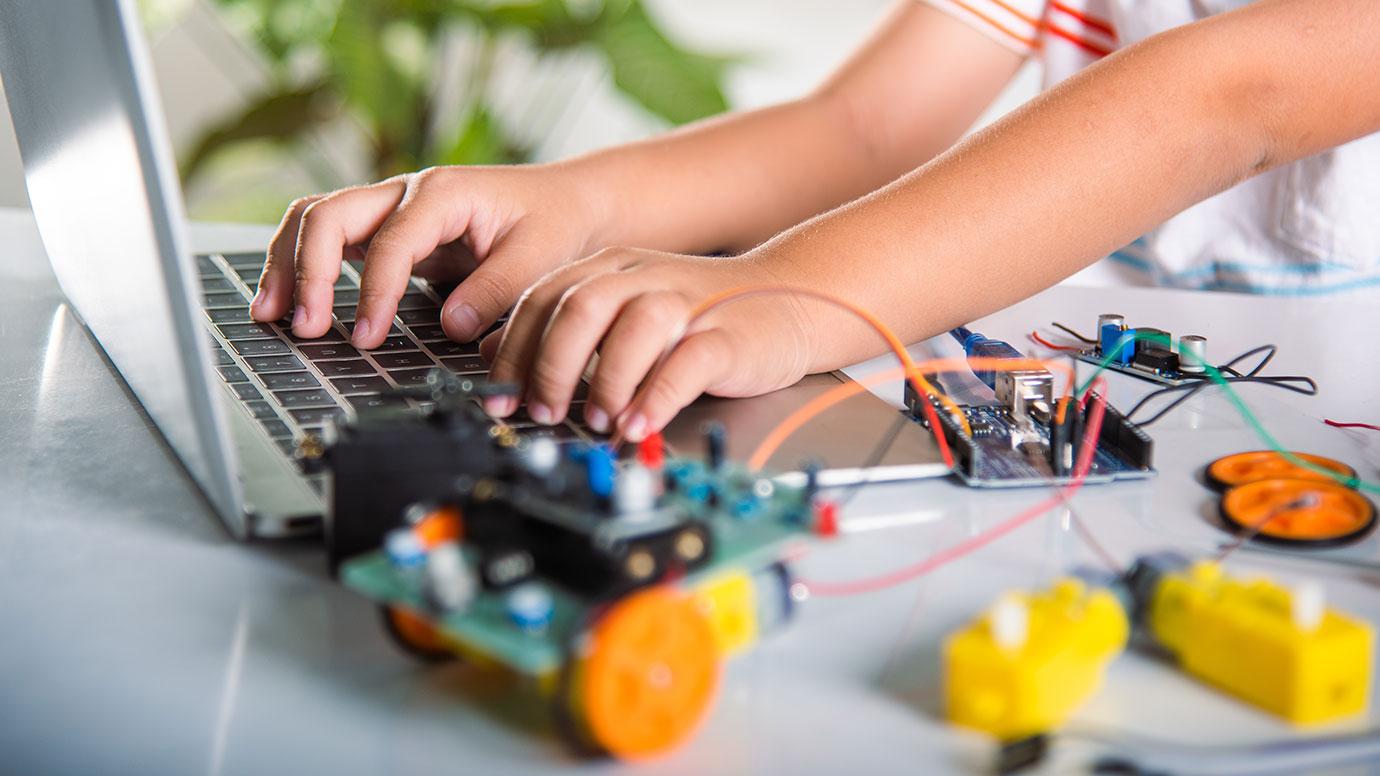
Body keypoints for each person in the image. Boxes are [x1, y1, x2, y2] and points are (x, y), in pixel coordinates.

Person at [250, 0, 1380, 443]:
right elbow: (867, 122)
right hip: (1133, 420)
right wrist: (578, 201)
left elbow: (1234, 96)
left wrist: (792, 289)